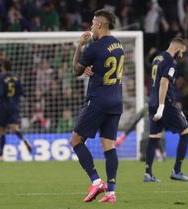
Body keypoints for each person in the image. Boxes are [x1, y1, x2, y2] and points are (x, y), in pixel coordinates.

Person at [70, 9, 123, 203]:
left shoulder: (94, 47)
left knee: (76, 141)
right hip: (116, 101)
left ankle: (96, 180)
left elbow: (76, 71)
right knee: (109, 146)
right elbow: (103, 66)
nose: (91, 26)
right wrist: (92, 68)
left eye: (93, 23)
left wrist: (79, 46)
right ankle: (111, 192)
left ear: (100, 24)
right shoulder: (119, 46)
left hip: (98, 101)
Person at [145, 37, 188, 182]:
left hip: (152, 102)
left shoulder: (157, 58)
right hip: (165, 103)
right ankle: (177, 171)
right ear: (177, 48)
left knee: (153, 138)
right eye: (182, 51)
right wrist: (162, 106)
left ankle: (148, 173)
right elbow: (164, 82)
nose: (182, 55)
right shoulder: (170, 62)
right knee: (186, 134)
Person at [0, 60, 32, 160]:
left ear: (3, 67)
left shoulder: (2, 78)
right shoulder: (16, 78)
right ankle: (25, 140)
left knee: (2, 130)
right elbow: (23, 92)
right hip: (14, 106)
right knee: (15, 128)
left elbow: (0, 93)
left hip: (4, 107)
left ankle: (0, 154)